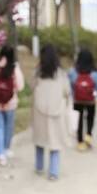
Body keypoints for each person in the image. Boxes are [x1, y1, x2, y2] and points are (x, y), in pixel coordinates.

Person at [30, 44, 71, 180]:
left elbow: (31, 87)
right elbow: (67, 91)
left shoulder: (37, 73)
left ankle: (39, 166)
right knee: (55, 141)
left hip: (39, 110)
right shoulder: (61, 74)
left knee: (40, 139)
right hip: (56, 111)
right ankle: (53, 172)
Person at [0, 45, 25, 166]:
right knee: (8, 126)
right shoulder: (13, 67)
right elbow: (20, 86)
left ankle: (0, 154)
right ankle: (6, 149)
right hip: (10, 103)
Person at [68, 49, 97, 151]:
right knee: (90, 118)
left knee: (78, 120)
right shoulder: (95, 73)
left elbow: (70, 86)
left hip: (77, 100)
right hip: (91, 100)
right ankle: (88, 137)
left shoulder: (73, 72)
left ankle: (80, 141)